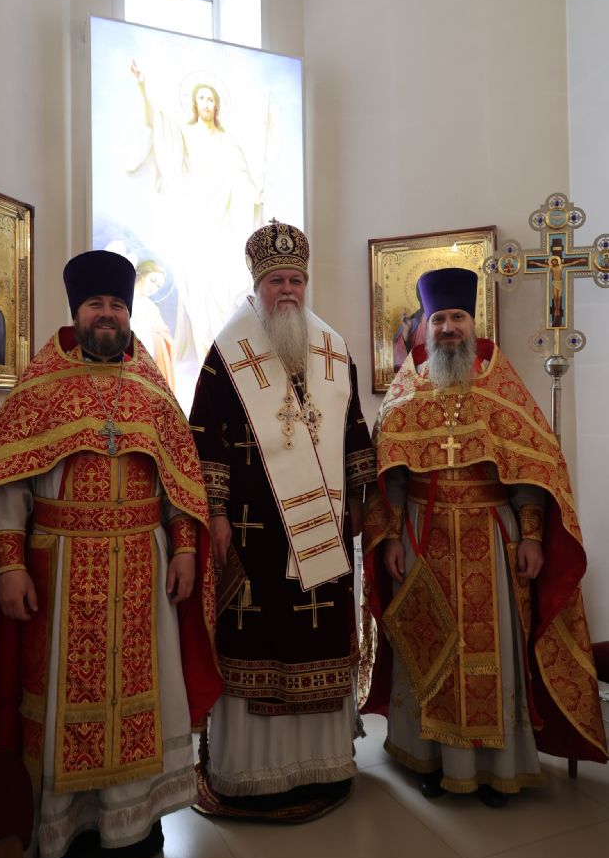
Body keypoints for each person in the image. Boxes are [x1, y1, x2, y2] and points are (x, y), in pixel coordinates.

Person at [0, 250, 222, 858]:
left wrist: (185, 549)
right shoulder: (40, 385)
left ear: (128, 314)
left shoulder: (151, 386)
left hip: (143, 567)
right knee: (58, 706)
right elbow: (8, 487)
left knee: (143, 697)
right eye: (97, 304)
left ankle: (132, 826)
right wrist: (9, 565)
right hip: (61, 570)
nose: (108, 314)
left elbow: (178, 483)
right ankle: (65, 834)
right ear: (77, 311)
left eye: (117, 305)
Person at [361, 266, 608, 807]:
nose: (448, 327)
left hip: (490, 539)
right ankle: (429, 758)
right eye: (438, 319)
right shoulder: (405, 390)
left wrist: (533, 538)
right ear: (424, 326)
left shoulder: (502, 386)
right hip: (423, 537)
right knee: (427, 647)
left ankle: (497, 768)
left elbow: (533, 473)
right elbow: (389, 475)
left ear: (473, 323)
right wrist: (393, 537)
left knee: (492, 652)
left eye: (457, 317)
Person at [189, 220, 375, 821]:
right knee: (257, 642)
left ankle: (323, 765)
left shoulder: (331, 348)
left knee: (320, 637)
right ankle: (250, 775)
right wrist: (216, 513)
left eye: (296, 279)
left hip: (325, 536)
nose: (288, 290)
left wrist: (362, 502)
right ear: (258, 285)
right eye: (277, 281)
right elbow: (205, 439)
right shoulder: (227, 354)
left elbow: (354, 431)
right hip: (253, 537)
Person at [129, 64, 262, 366]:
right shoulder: (184, 133)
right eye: (201, 98)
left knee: (224, 289)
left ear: (217, 105)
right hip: (197, 223)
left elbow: (242, 177)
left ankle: (226, 357)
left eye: (210, 99)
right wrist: (142, 86)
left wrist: (250, 193)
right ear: (194, 103)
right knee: (198, 291)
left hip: (224, 225)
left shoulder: (229, 141)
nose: (206, 103)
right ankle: (206, 359)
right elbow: (155, 124)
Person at [130, 259, 176, 389]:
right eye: (152, 280)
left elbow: (162, 332)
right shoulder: (123, 298)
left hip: (145, 357)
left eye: (158, 286)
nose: (154, 287)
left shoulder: (151, 307)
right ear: (142, 274)